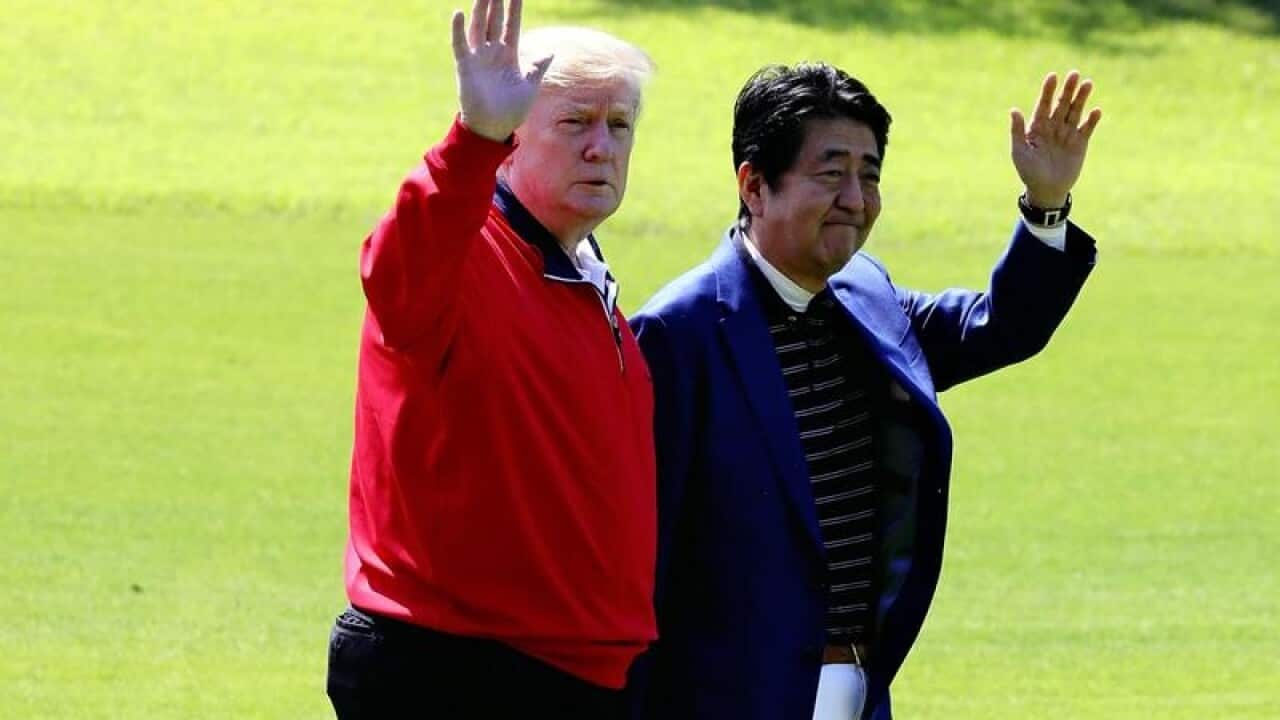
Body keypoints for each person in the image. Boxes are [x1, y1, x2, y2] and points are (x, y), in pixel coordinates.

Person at [630, 63, 1102, 719]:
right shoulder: (677, 333)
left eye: (870, 175)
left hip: (859, 693)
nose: (856, 198)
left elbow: (1000, 328)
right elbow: (641, 561)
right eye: (832, 174)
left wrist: (1045, 205)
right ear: (754, 186)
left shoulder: (867, 297)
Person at [325, 1, 657, 717]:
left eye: (619, 124)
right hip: (456, 667)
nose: (601, 147)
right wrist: (472, 138)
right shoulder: (465, 252)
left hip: (569, 671)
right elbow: (396, 265)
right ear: (512, 138)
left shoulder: (585, 278)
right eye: (575, 122)